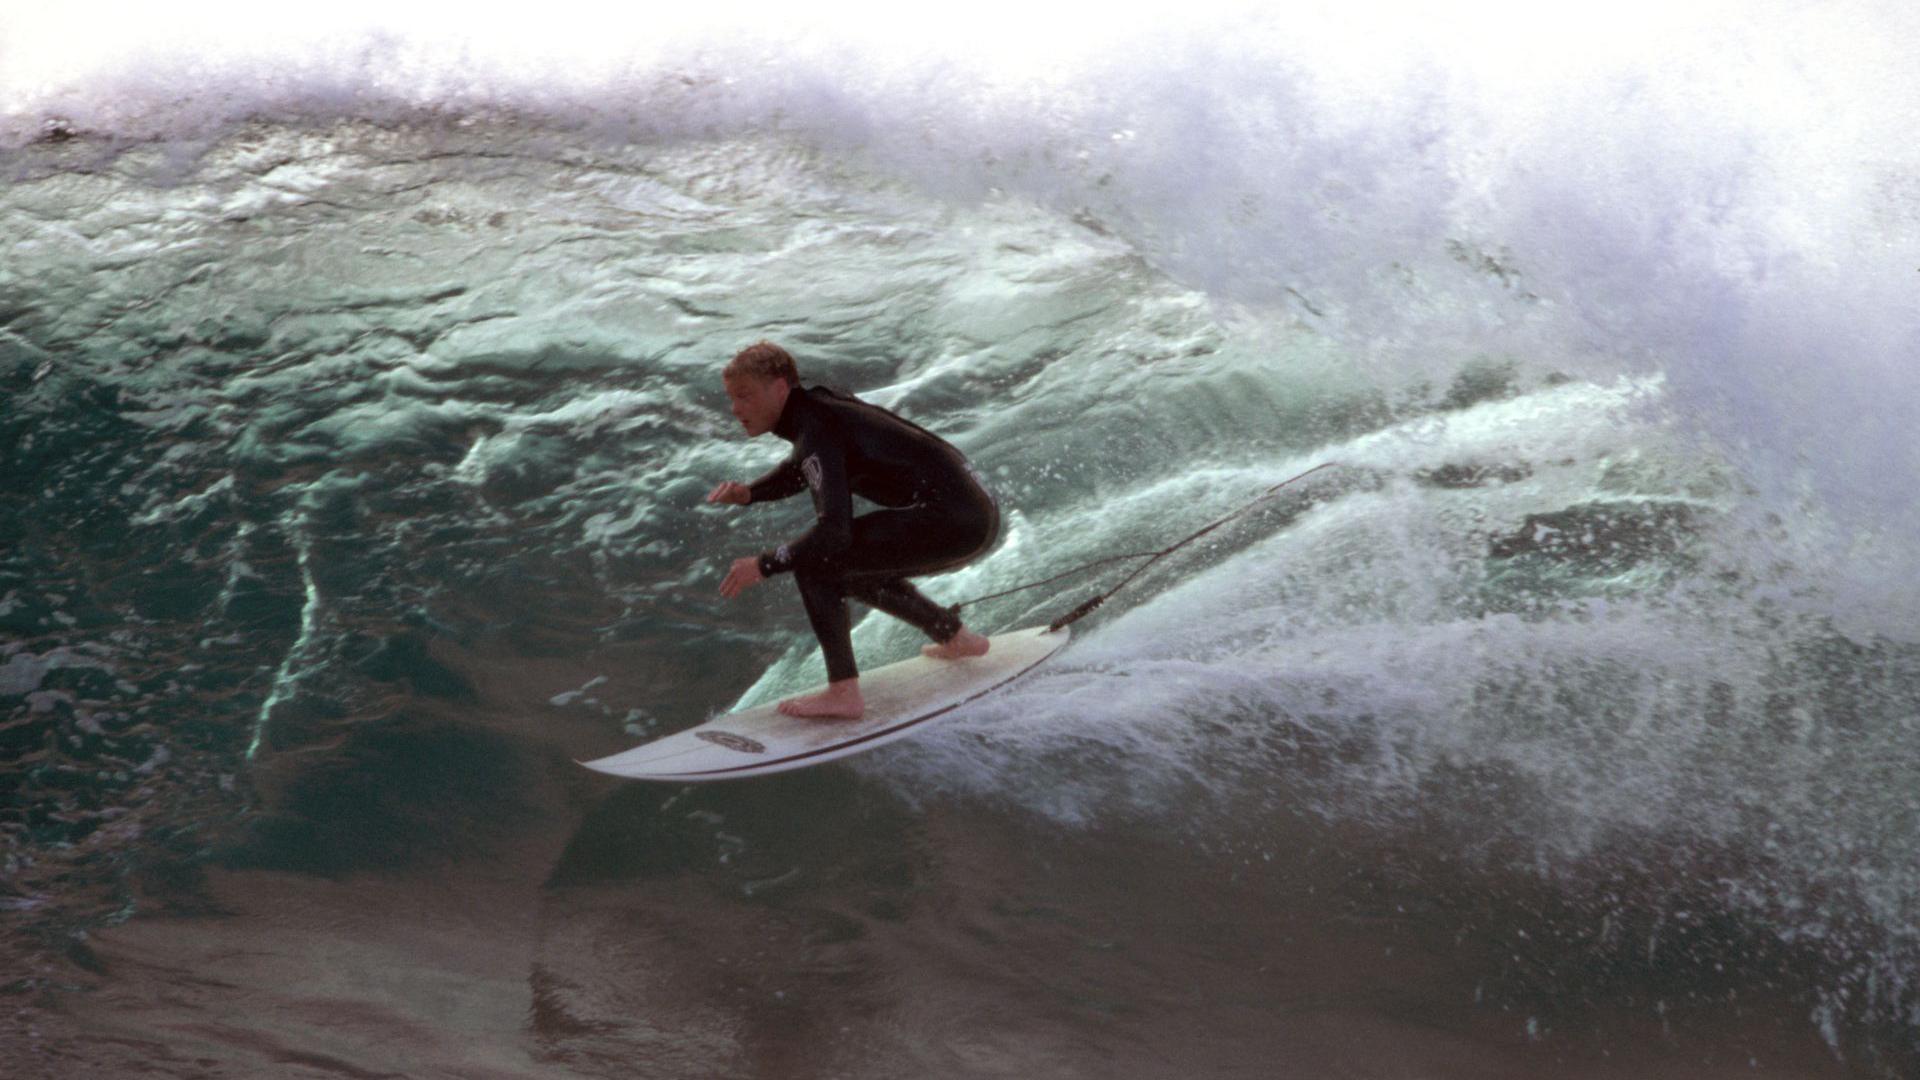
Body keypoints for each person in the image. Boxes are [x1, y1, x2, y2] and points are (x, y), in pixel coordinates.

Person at [707, 341, 998, 719]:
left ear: (779, 389)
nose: (736, 409)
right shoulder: (817, 407)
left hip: (955, 520)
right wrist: (750, 494)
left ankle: (843, 693)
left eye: (744, 396)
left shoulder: (814, 427)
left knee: (819, 562)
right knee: (852, 564)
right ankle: (956, 638)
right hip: (972, 512)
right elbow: (807, 467)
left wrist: (763, 565)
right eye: (732, 398)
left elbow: (833, 532)